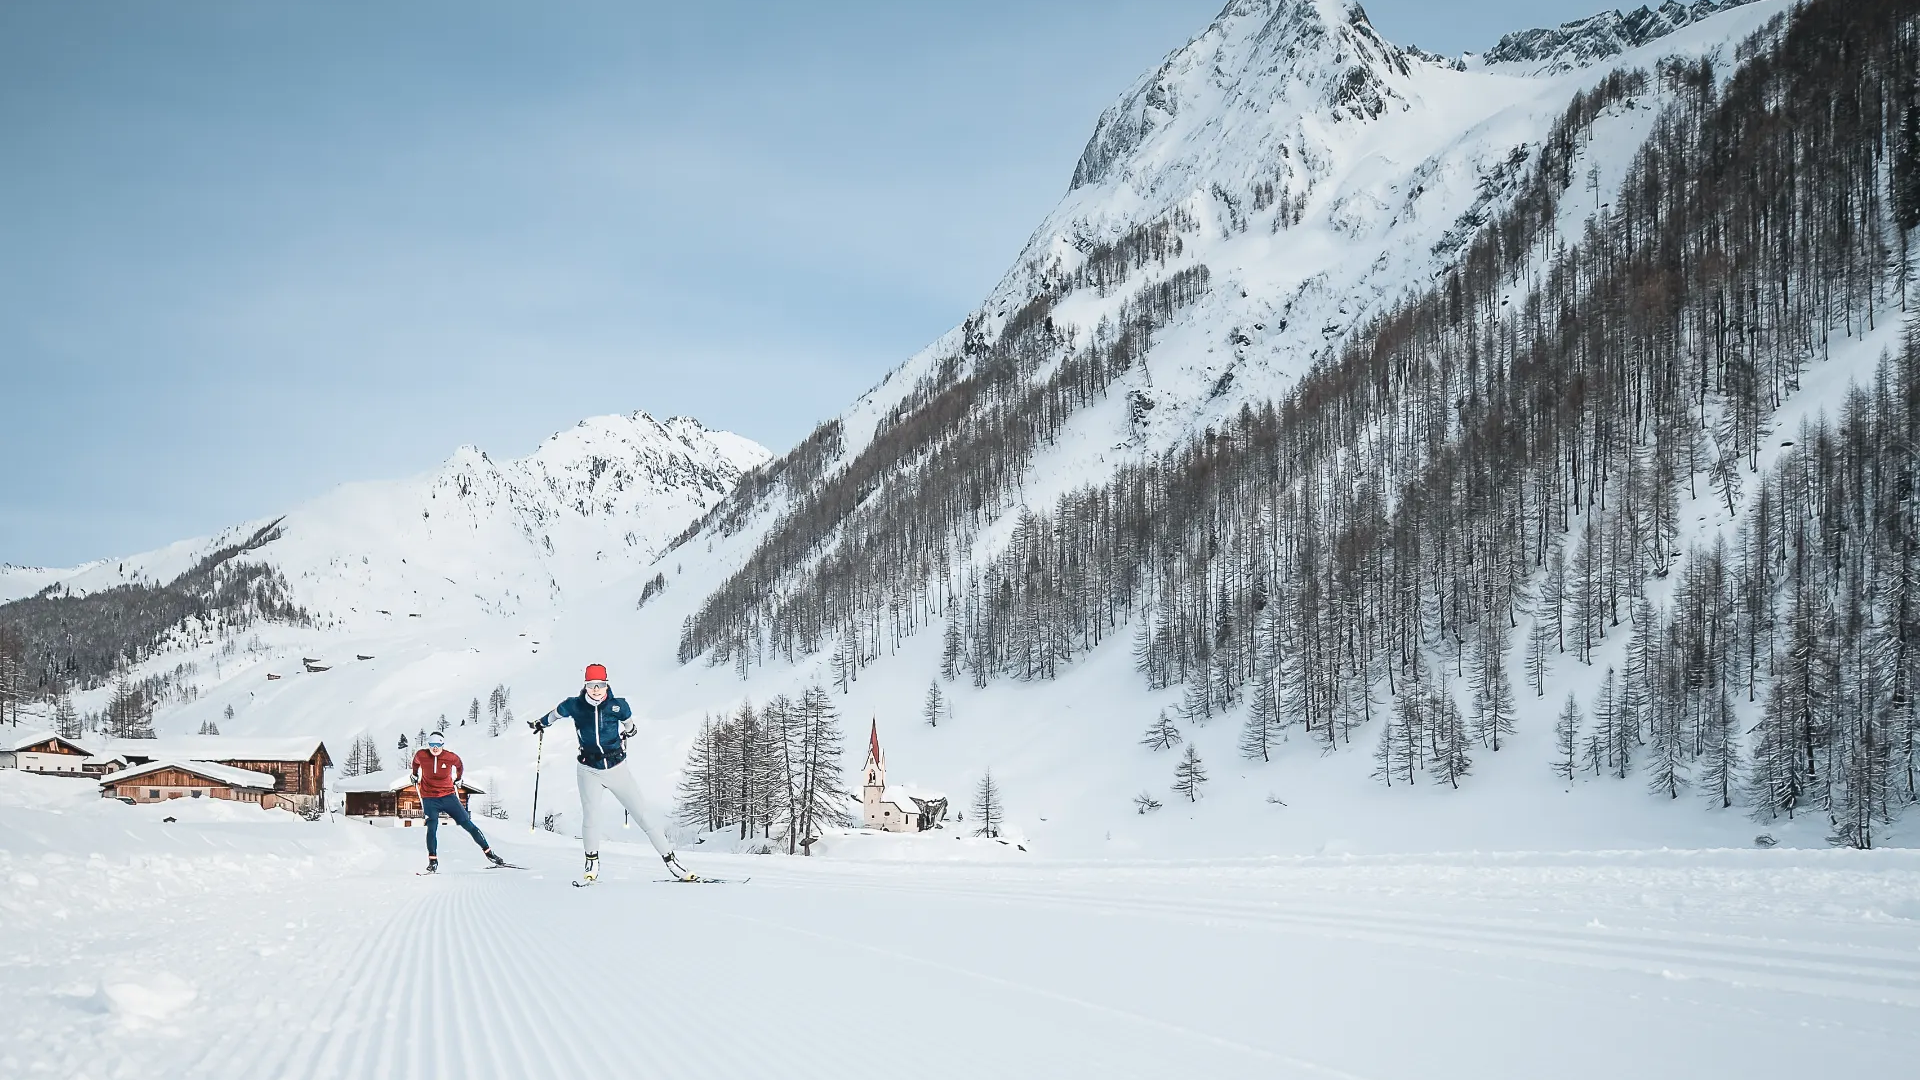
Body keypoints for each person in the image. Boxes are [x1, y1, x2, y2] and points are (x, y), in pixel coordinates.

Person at [530, 663, 695, 883]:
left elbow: (629, 725)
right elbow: (555, 714)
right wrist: (540, 723)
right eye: (591, 685)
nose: (596, 689)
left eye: (600, 685)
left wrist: (630, 731)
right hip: (588, 769)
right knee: (591, 817)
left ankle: (672, 861)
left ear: (606, 685)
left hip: (617, 768)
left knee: (643, 815)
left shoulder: (618, 706)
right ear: (585, 685)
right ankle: (591, 862)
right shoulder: (574, 705)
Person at [411, 731, 507, 873]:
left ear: (442, 744)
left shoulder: (450, 757)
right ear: (428, 745)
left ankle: (489, 853)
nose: (435, 748)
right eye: (432, 744)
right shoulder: (422, 755)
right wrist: (414, 774)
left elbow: (460, 765)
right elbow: (415, 762)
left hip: (448, 796)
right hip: (429, 797)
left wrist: (459, 778)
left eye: (438, 745)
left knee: (467, 823)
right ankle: (433, 861)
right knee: (432, 827)